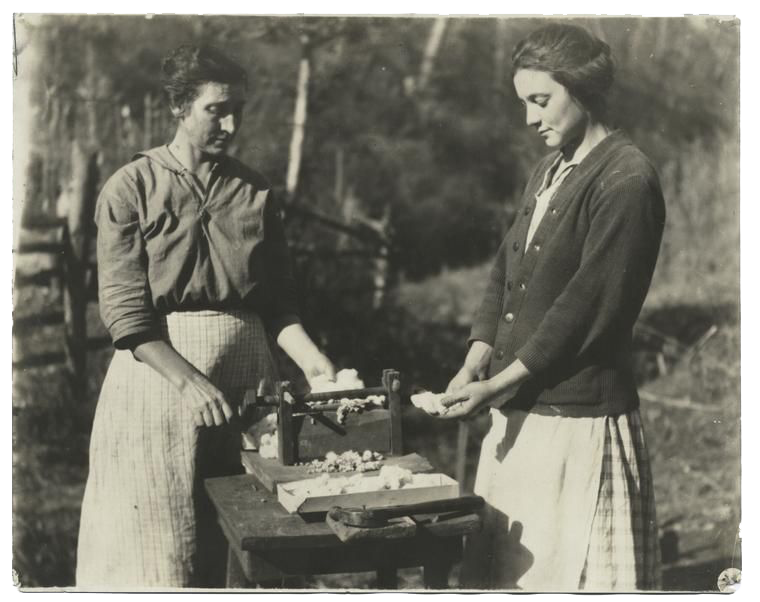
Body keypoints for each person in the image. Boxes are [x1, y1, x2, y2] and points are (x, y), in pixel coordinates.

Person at [76, 45, 335, 589]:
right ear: (179, 106)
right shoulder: (131, 188)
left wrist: (317, 366)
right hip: (157, 381)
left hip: (249, 382)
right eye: (217, 109)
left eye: (237, 108)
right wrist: (189, 381)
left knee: (251, 541)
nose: (232, 123)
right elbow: (125, 315)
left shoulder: (255, 192)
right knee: (159, 540)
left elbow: (278, 304)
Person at [439, 23, 665, 591]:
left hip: (576, 422)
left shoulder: (626, 179)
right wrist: (476, 360)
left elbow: (583, 309)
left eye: (541, 101)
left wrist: (496, 385)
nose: (530, 119)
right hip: (520, 414)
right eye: (524, 103)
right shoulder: (548, 170)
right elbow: (503, 274)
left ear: (582, 87)